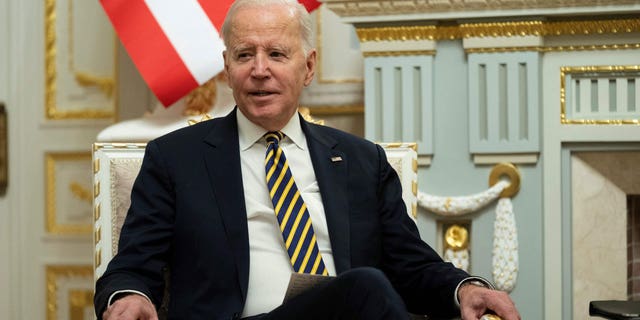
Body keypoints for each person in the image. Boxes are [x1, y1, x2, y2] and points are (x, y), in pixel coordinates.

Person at [94, 0, 521, 319]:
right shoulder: (176, 159)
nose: (260, 70)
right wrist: (129, 296)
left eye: (277, 54)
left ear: (309, 67)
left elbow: (412, 264)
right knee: (366, 286)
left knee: (367, 288)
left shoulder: (361, 161)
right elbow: (131, 265)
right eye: (244, 55)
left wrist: (464, 287)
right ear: (227, 68)